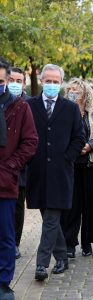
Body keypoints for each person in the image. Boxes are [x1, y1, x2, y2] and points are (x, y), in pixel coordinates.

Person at [26, 64, 85, 281]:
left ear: (61, 83)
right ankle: (62, 256)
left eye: (55, 81)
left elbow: (79, 137)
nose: (51, 85)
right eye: (48, 81)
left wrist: (67, 157)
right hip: (38, 173)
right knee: (49, 219)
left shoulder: (69, 108)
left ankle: (41, 265)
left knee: (51, 220)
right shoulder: (29, 106)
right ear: (41, 81)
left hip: (61, 173)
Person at [0, 57, 38, 300]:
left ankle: (3, 283)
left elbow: (30, 142)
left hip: (4, 182)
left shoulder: (20, 107)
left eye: (1, 81)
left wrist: (10, 167)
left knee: (5, 236)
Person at [60, 78, 93, 258]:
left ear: (84, 93)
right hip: (71, 166)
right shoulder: (63, 111)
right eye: (70, 90)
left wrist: (90, 146)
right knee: (71, 207)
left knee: (92, 206)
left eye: (76, 90)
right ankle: (69, 244)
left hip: (92, 165)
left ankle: (87, 242)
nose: (72, 93)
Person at [8, 67, 30, 259]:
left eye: (18, 80)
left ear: (24, 83)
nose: (14, 83)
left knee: (17, 206)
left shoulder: (29, 104)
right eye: (11, 79)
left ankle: (15, 243)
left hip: (21, 166)